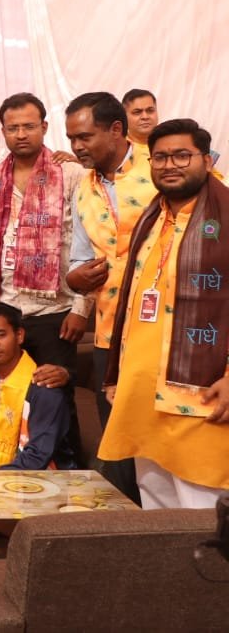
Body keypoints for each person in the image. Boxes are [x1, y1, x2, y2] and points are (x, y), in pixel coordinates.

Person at [100, 119, 229, 508]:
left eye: (182, 155)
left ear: (207, 160)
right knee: (159, 517)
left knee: (204, 516)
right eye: (160, 157)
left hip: (202, 396)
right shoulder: (152, 217)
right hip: (143, 396)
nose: (170, 165)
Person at [0, 93, 90, 381]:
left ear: (44, 127)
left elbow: (88, 243)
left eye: (29, 126)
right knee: (8, 397)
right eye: (13, 128)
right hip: (6, 311)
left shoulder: (71, 174)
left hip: (56, 310)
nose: (21, 134)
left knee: (54, 395)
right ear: (3, 132)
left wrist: (81, 309)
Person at [66, 93, 157, 433]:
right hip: (109, 333)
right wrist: (76, 278)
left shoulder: (160, 168)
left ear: (116, 129)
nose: (77, 147)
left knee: (161, 439)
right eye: (72, 139)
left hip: (160, 330)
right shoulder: (84, 189)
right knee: (114, 438)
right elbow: (79, 257)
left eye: (84, 137)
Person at [0, 304, 75, 471]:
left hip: (34, 483)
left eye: (0, 335)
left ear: (19, 335)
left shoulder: (44, 388)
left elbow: (37, 457)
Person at [121, 89, 158, 159]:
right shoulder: (118, 149)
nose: (145, 117)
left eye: (150, 111)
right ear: (124, 116)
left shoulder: (169, 145)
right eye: (137, 112)